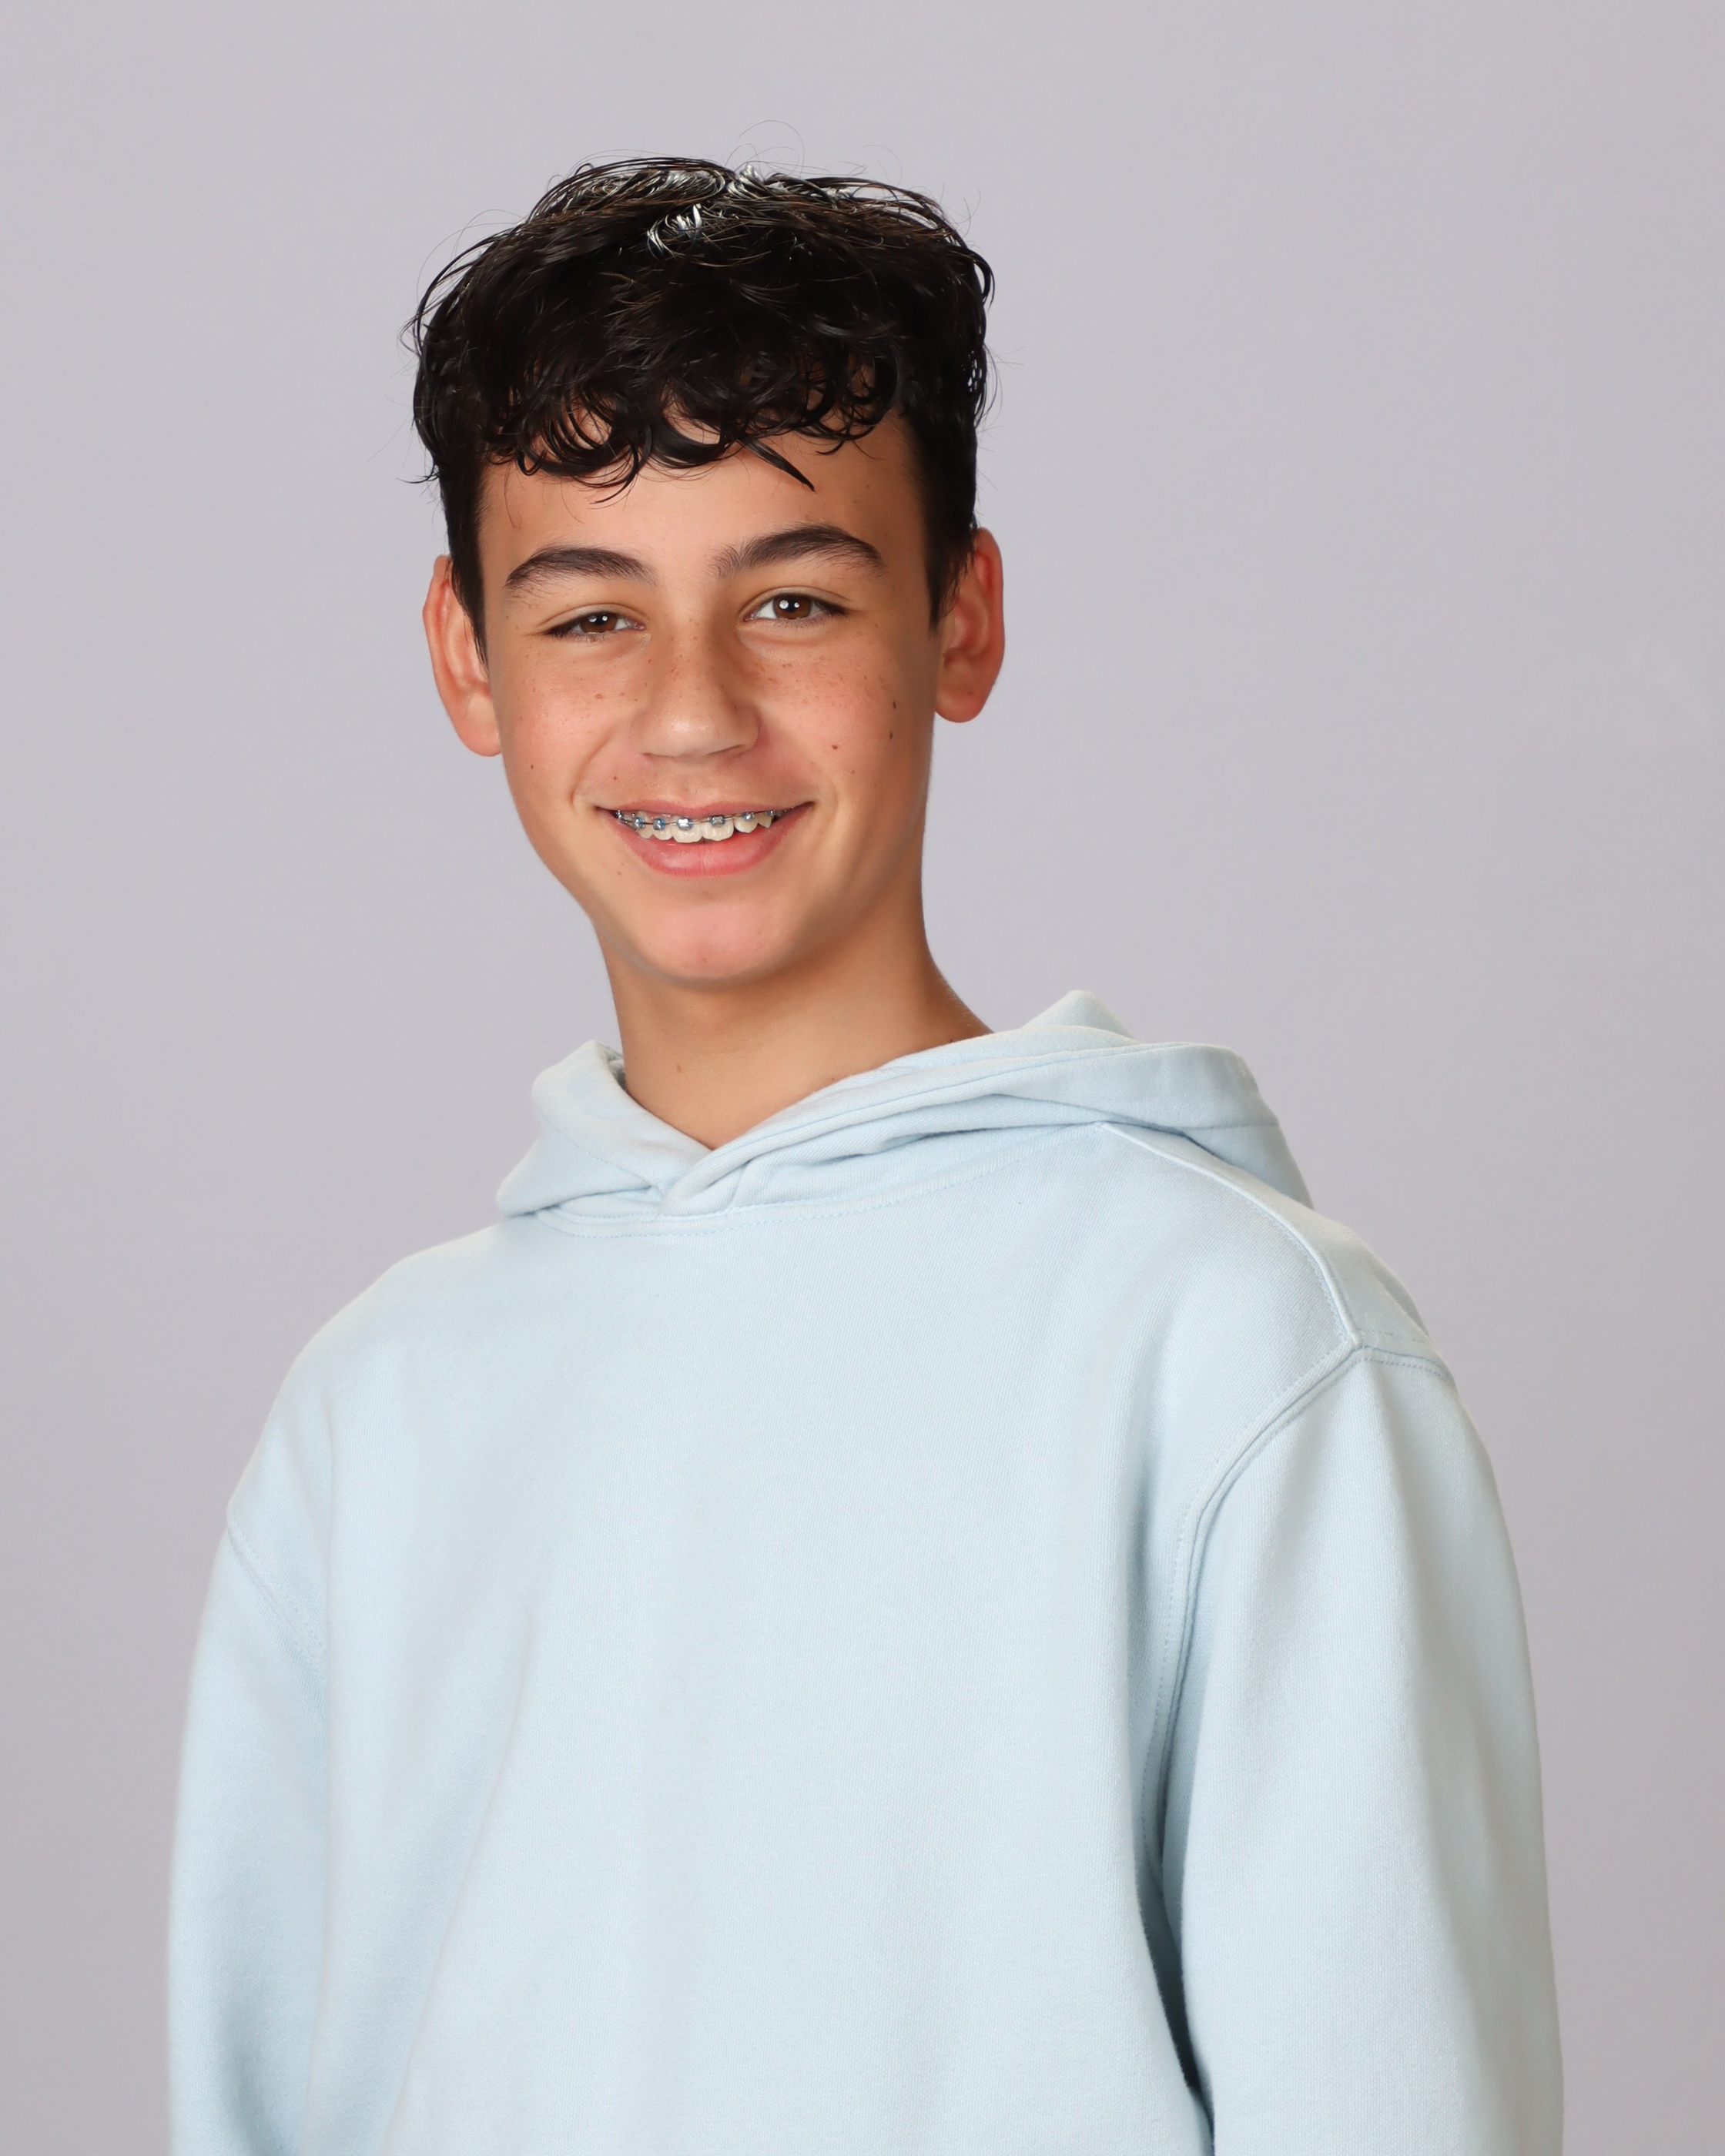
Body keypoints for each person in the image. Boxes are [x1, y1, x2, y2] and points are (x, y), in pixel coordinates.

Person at [169, 159, 1562, 2154]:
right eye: (591, 614)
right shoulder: (371, 1412)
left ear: (958, 623)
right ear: (470, 662)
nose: (691, 714)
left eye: (794, 601)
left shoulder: (1241, 1347)